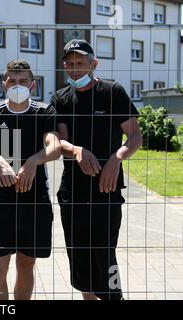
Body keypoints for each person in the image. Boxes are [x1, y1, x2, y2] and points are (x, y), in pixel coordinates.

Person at [50, 39, 143, 300]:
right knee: (79, 255)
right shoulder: (61, 98)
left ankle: (115, 298)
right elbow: (60, 140)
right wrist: (78, 150)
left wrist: (117, 158)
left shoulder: (113, 92)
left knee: (104, 254)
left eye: (80, 63)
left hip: (107, 188)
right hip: (73, 191)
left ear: (94, 64)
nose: (75, 69)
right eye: (69, 64)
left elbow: (135, 137)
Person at [0, 60, 61, 300]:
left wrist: (34, 161)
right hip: (2, 203)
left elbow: (54, 147)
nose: (17, 85)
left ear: (33, 85)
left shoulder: (44, 112)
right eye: (12, 81)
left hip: (36, 202)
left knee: (25, 267)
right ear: (3, 84)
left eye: (23, 81)